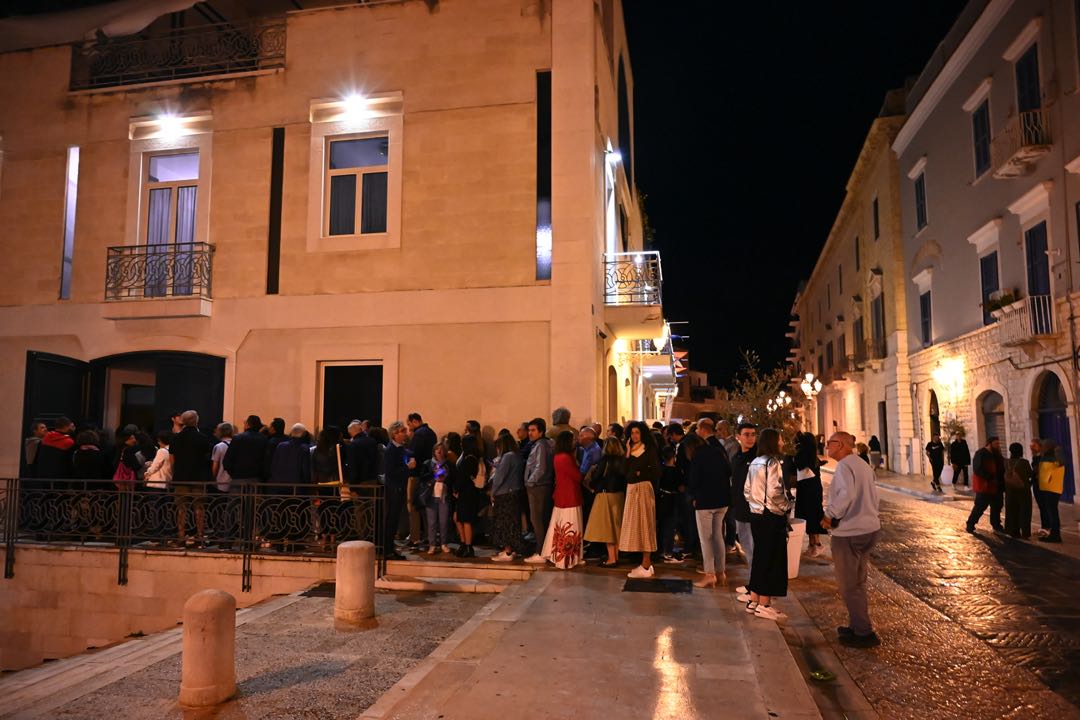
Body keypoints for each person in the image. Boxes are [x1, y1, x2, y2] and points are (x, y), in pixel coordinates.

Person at [823, 431, 882, 648]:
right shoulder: (862, 464)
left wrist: (829, 516)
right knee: (858, 582)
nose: (827, 446)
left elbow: (845, 495)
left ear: (840, 445)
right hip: (869, 529)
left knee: (849, 585)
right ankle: (857, 625)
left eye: (830, 443)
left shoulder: (844, 466)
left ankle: (864, 633)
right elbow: (873, 496)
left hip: (850, 532)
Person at [739, 428, 792, 621]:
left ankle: (754, 600)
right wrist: (787, 506)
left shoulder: (755, 462)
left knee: (760, 558)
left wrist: (755, 506)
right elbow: (775, 492)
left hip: (756, 516)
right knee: (772, 560)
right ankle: (764, 604)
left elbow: (746, 490)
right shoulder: (773, 462)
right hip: (771, 516)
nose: (782, 442)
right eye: (780, 439)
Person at [687, 430, 730, 589]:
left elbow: (693, 480)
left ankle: (709, 574)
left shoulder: (697, 457)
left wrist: (692, 495)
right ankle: (721, 573)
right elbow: (728, 471)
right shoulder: (717, 452)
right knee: (718, 537)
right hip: (723, 500)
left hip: (705, 502)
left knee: (706, 539)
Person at [619, 421, 660, 579]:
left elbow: (656, 472)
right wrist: (628, 453)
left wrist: (640, 473)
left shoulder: (648, 450)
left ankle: (646, 563)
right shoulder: (630, 450)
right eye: (632, 433)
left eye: (637, 432)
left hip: (643, 489)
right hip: (631, 490)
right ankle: (645, 563)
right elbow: (624, 471)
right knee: (635, 526)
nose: (635, 435)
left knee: (645, 525)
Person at [541, 430, 584, 569]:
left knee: (560, 525)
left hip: (562, 495)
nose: (575, 442)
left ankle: (568, 556)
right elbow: (577, 476)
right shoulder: (566, 458)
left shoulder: (558, 456)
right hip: (570, 495)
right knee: (570, 525)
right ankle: (566, 558)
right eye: (573, 440)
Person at [169, 410, 213, 546]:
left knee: (181, 508)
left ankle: (181, 536)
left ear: (183, 421)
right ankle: (200, 536)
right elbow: (208, 458)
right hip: (198, 478)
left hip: (181, 477)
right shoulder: (203, 438)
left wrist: (175, 473)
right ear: (196, 421)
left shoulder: (176, 438)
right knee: (199, 507)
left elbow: (172, 460)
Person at [584, 437, 627, 567]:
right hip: (619, 495)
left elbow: (596, 477)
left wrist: (593, 484)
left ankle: (611, 559)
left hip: (605, 495)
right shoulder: (623, 460)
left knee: (607, 529)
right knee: (617, 527)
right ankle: (616, 557)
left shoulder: (604, 460)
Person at [729, 423, 758, 584]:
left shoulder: (757, 458)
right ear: (738, 437)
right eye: (746, 434)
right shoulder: (736, 457)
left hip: (754, 511)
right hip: (740, 510)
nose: (750, 438)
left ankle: (755, 586)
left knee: (755, 550)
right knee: (747, 548)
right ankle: (753, 584)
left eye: (753, 434)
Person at [523, 418, 554, 563]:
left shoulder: (541, 445)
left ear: (541, 432)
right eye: (529, 430)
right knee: (541, 519)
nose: (530, 433)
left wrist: (530, 482)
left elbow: (540, 468)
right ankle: (544, 550)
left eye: (533, 430)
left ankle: (541, 552)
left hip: (538, 486)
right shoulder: (544, 444)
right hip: (542, 485)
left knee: (537, 520)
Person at [490, 434, 526, 561]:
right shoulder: (517, 455)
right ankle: (512, 550)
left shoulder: (507, 457)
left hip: (504, 493)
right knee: (513, 522)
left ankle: (508, 551)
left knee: (504, 523)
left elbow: (499, 477)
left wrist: (493, 492)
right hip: (515, 492)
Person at [383, 421, 413, 560]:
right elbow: (391, 472)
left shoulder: (400, 448)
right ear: (394, 434)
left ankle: (391, 548)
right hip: (394, 488)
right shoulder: (390, 450)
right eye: (402, 431)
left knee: (395, 520)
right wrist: (408, 467)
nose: (405, 433)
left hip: (400, 487)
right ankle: (388, 550)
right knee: (392, 519)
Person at [407, 413, 437, 548]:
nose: (409, 428)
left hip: (417, 474)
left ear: (415, 421)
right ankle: (428, 536)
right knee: (426, 506)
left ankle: (415, 537)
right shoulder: (432, 433)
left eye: (409, 424)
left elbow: (412, 454)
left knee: (413, 505)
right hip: (429, 474)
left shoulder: (418, 434)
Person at [793, 431, 826, 556]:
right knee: (813, 515)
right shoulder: (812, 455)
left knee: (808, 515)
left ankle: (815, 544)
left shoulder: (801, 454)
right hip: (814, 489)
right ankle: (813, 544)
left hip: (805, 490)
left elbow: (796, 467)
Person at [453, 434, 484, 558]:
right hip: (466, 492)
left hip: (467, 493)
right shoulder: (470, 457)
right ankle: (463, 543)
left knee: (466, 520)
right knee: (457, 518)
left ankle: (468, 546)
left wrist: (456, 489)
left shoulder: (470, 459)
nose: (461, 445)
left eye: (462, 443)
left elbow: (464, 477)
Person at [422, 442, 454, 555]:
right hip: (431, 496)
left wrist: (445, 478)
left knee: (444, 521)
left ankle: (444, 543)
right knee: (432, 522)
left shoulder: (449, 464)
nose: (439, 452)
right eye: (437, 450)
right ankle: (432, 545)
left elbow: (453, 479)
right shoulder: (427, 463)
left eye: (441, 450)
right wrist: (433, 475)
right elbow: (423, 478)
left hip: (444, 496)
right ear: (434, 452)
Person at [966, 437, 1004, 534]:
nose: (998, 445)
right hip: (984, 485)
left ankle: (996, 524)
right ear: (989, 443)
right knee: (980, 506)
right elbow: (977, 469)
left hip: (996, 485)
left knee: (996, 506)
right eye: (996, 443)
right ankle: (970, 524)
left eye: (998, 444)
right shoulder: (981, 453)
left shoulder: (997, 454)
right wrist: (989, 477)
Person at [223, 415, 269, 489]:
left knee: (236, 496)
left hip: (238, 478)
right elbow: (266, 460)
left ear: (247, 424)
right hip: (256, 478)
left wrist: (233, 474)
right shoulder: (264, 439)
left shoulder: (237, 438)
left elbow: (227, 459)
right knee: (254, 496)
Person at [1033, 438, 1064, 543]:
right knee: (1052, 512)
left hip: (1049, 489)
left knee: (1052, 513)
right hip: (1054, 488)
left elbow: (1044, 474)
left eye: (1043, 446)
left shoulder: (1049, 458)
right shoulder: (1055, 458)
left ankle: (1055, 535)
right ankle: (1054, 534)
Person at [1003, 442, 1033, 539]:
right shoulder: (1024, 462)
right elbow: (1030, 474)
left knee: (1011, 511)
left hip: (1010, 491)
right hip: (1023, 491)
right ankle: (1025, 533)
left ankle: (1012, 531)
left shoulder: (1006, 462)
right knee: (1025, 511)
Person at [35, 417, 76, 482]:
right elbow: (70, 462)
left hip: (42, 476)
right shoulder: (69, 442)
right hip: (59, 478)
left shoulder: (46, 437)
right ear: (66, 427)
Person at [211, 423, 234, 493]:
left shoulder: (219, 446)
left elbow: (215, 467)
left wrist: (213, 479)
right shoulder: (237, 445)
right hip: (234, 482)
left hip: (221, 483)